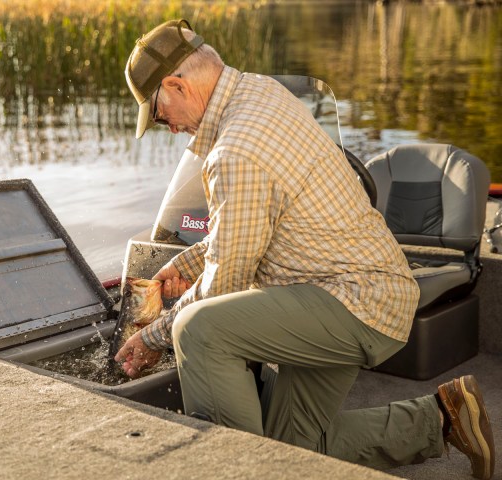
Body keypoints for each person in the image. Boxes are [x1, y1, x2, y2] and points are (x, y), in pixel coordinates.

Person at [114, 19, 495, 479]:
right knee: (293, 446)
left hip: (350, 299)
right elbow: (248, 226)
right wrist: (185, 262)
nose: (166, 127)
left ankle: (240, 471)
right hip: (366, 288)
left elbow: (225, 282)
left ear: (175, 84)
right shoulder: (258, 93)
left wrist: (152, 338)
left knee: (197, 330)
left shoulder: (235, 151)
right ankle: (443, 418)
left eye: (157, 113)